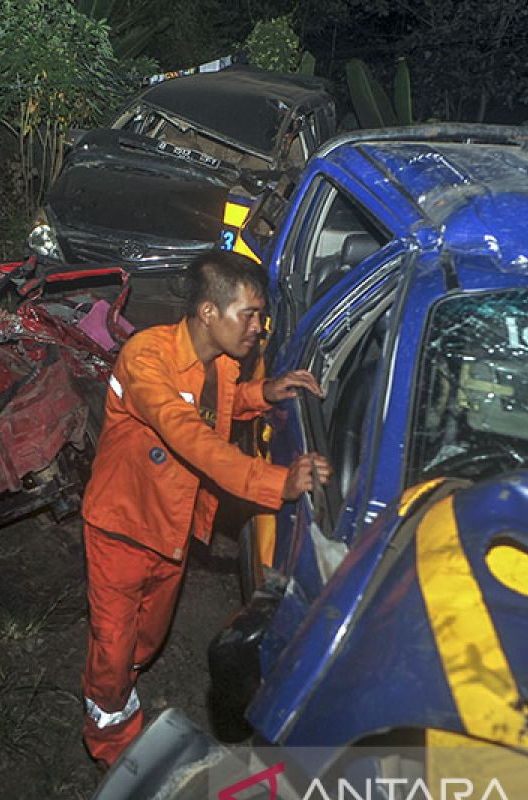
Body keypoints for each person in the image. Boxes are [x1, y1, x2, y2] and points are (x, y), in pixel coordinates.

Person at [80, 250, 332, 768]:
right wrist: (276, 483)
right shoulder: (146, 358)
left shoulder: (219, 364)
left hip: (171, 530)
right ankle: (113, 748)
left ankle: (124, 686)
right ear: (208, 314)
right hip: (122, 528)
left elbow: (221, 403)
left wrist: (266, 392)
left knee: (146, 638)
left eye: (261, 317)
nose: (259, 329)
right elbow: (191, 435)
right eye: (250, 315)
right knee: (112, 648)